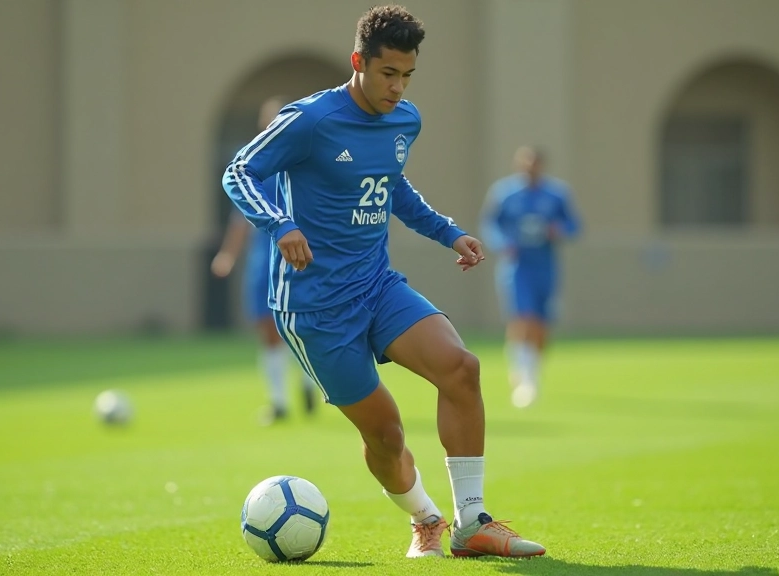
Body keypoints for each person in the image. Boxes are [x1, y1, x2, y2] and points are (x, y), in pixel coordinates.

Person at [222, 5, 545, 559]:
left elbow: (392, 189)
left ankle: (473, 524)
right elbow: (238, 171)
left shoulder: (405, 120)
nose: (397, 88)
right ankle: (425, 519)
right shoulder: (311, 119)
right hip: (315, 306)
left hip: (376, 284)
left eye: (407, 75)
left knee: (461, 369)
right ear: (359, 63)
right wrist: (281, 225)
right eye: (387, 74)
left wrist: (448, 234)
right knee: (386, 435)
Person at [212, 96, 318, 426]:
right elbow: (240, 216)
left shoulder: (304, 159)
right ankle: (279, 402)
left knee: (299, 326)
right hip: (264, 256)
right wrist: (228, 254)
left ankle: (307, 382)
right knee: (266, 327)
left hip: (300, 254)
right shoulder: (251, 163)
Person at [480, 146, 582, 409]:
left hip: (545, 264)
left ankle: (533, 370)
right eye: (525, 164)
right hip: (517, 264)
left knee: (541, 323)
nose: (529, 169)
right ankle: (522, 375)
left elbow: (574, 225)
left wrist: (559, 230)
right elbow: (491, 224)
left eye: (534, 164)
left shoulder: (556, 194)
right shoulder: (505, 193)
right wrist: (503, 243)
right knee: (521, 317)